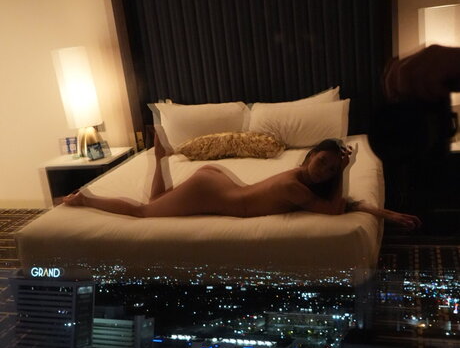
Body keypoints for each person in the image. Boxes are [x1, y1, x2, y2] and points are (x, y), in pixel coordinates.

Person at [64, 136, 420, 229]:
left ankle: (160, 160)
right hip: (212, 190)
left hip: (218, 184)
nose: (323, 171)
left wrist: (385, 213)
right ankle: (85, 200)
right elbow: (335, 209)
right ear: (310, 155)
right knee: (143, 213)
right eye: (322, 162)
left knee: (158, 204)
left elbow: (345, 204)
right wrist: (344, 168)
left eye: (329, 171)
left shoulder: (302, 180)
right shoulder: (297, 187)